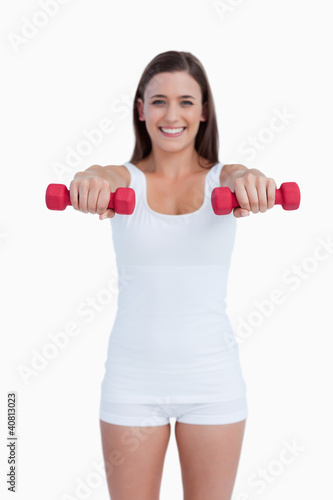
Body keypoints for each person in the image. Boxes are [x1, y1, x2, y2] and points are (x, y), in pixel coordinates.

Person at [69, 51, 277, 500]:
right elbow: (99, 172)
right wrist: (88, 180)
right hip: (131, 381)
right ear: (141, 110)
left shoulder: (226, 181)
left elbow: (242, 172)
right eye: (159, 101)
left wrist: (253, 179)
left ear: (204, 113)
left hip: (213, 380)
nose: (172, 114)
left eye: (186, 101)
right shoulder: (123, 181)